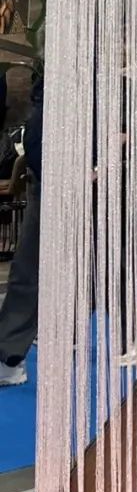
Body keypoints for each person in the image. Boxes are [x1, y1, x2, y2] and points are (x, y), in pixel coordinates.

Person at [0, 70, 43, 387]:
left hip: (76, 176)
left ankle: (9, 357)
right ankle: (9, 355)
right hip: (47, 174)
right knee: (28, 269)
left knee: (29, 269)